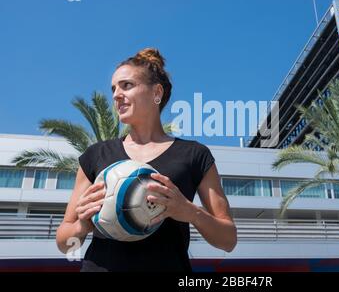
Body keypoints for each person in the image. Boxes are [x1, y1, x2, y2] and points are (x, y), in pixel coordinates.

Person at [56, 48, 237, 272]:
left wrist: (190, 212)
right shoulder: (95, 155)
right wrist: (83, 224)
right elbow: (64, 244)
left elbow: (228, 240)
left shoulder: (194, 155)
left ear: (156, 93)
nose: (115, 95)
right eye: (113, 88)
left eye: (127, 85)